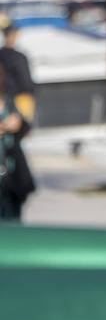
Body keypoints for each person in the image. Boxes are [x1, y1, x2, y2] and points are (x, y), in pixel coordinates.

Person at [0, 59, 35, 220]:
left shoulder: (8, 102)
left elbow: (26, 128)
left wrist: (18, 124)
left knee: (12, 219)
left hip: (11, 175)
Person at [0, 19, 35, 123]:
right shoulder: (19, 57)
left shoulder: (18, 56)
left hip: (18, 99)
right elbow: (26, 83)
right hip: (14, 99)